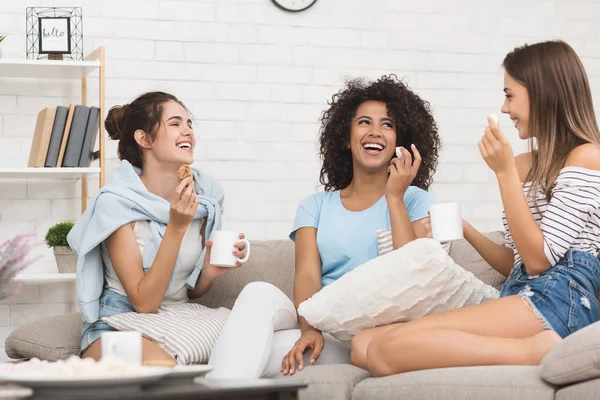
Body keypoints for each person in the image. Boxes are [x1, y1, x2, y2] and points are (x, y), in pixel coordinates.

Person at [351, 40, 600, 377]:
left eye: (510, 95)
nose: (505, 107)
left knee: (383, 351)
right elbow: (517, 260)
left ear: (543, 93)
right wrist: (466, 227)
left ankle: (535, 350)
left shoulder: (587, 157)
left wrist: (503, 172)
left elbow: (540, 260)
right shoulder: (524, 164)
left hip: (563, 296)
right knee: (363, 345)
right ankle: (525, 348)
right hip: (522, 288)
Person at [207, 75, 441, 379]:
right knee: (257, 293)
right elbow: (306, 275)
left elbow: (412, 273)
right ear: (346, 137)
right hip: (321, 325)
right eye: (364, 123)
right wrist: (309, 329)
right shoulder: (315, 206)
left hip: (365, 336)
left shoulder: (416, 202)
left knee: (245, 353)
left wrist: (394, 197)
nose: (375, 132)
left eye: (387, 125)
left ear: (400, 140)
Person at [67, 91, 246, 363]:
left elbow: (184, 290)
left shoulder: (204, 196)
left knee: (260, 339)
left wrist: (207, 273)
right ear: (144, 139)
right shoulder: (117, 203)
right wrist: (176, 227)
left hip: (176, 318)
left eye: (189, 124)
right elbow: (145, 303)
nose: (188, 131)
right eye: (175, 124)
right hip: (121, 322)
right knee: (163, 371)